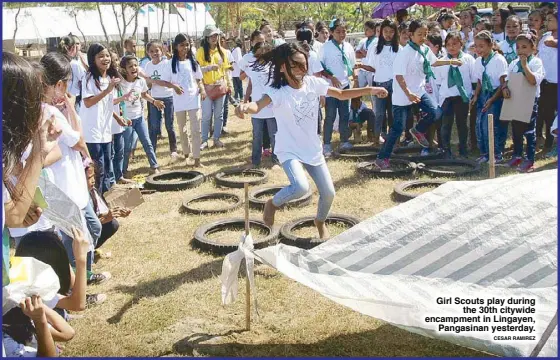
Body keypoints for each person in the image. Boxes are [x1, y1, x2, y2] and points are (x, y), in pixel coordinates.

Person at [236, 43, 388, 239]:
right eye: (296, 66)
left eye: (304, 64)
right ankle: (271, 204)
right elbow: (258, 105)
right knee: (301, 187)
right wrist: (245, 107)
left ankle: (320, 221)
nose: (302, 70)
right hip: (289, 149)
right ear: (283, 67)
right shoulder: (278, 92)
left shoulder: (313, 84)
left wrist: (371, 89)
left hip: (312, 149)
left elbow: (341, 94)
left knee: (329, 193)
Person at [373, 20, 464, 169]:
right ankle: (382, 158)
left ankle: (418, 130)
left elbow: (434, 63)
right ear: (411, 34)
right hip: (403, 95)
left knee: (436, 112)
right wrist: (408, 93)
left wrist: (450, 61)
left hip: (419, 90)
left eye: (425, 34)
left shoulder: (425, 50)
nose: (423, 37)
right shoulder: (404, 53)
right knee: (397, 128)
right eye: (419, 34)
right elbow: (398, 76)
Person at [79, 43, 124, 194]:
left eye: (107, 55)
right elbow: (88, 102)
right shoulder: (89, 77)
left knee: (105, 167)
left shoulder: (110, 77)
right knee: (98, 170)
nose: (105, 59)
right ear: (93, 59)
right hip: (92, 132)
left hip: (106, 131)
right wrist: (108, 90)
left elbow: (107, 104)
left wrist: (117, 118)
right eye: (100, 56)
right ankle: (97, 204)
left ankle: (105, 201)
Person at [502, 31, 544, 173]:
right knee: (516, 130)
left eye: (524, 47)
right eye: (518, 47)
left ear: (533, 48)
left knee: (529, 130)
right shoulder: (513, 63)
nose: (520, 50)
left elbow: (533, 81)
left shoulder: (536, 62)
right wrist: (505, 88)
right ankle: (517, 155)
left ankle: (530, 158)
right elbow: (507, 80)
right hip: (515, 100)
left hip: (530, 101)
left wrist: (525, 65)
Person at [118, 55, 162, 176]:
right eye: (130, 66)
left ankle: (155, 166)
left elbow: (144, 94)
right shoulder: (121, 82)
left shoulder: (140, 81)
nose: (134, 68)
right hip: (127, 120)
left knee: (147, 142)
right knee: (127, 146)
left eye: (135, 65)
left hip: (139, 117)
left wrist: (154, 101)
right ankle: (123, 170)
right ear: (124, 69)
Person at [319, 19, 357, 157]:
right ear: (331, 32)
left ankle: (344, 140)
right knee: (330, 115)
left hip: (345, 85)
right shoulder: (325, 48)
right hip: (330, 88)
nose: (342, 34)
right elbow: (320, 68)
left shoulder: (348, 47)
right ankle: (327, 144)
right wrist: (331, 77)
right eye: (338, 32)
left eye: (344, 31)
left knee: (345, 114)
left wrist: (355, 79)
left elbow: (352, 66)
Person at [470, 30, 509, 164]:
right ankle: (485, 153)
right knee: (479, 125)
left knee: (491, 126)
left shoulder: (499, 60)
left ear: (490, 45)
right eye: (476, 46)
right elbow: (480, 81)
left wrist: (492, 100)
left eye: (482, 46)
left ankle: (496, 154)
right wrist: (476, 96)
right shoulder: (478, 61)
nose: (478, 49)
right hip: (483, 94)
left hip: (495, 94)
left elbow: (503, 82)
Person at [360, 19, 401, 145]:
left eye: (391, 32)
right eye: (386, 31)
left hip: (394, 85)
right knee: (379, 114)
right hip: (379, 84)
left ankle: (394, 140)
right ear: (381, 32)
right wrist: (360, 66)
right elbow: (372, 66)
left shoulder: (399, 49)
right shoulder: (375, 47)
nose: (388, 34)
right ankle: (376, 139)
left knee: (393, 114)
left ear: (395, 33)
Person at [169, 33, 206, 167]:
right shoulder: (170, 64)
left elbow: (199, 79)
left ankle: (197, 159)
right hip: (179, 101)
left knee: (196, 129)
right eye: (182, 45)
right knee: (182, 129)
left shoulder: (193, 62)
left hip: (193, 99)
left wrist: (202, 89)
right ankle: (186, 154)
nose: (185, 48)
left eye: (187, 45)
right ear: (176, 46)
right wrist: (174, 86)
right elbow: (166, 82)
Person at [439, 31, 477, 159]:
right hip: (447, 96)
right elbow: (439, 80)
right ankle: (445, 149)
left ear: (461, 44)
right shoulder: (442, 61)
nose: (451, 47)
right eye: (448, 44)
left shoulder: (468, 59)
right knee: (446, 124)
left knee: (462, 123)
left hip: (462, 96)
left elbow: (473, 78)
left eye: (454, 44)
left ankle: (463, 148)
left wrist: (472, 95)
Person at [242, 40, 277, 168]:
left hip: (272, 108)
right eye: (258, 52)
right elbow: (249, 85)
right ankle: (255, 161)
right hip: (256, 108)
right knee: (257, 136)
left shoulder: (274, 66)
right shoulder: (252, 67)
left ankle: (276, 160)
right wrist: (245, 101)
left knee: (274, 135)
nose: (261, 54)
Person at [196, 24, 233, 150]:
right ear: (206, 38)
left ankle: (216, 139)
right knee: (206, 115)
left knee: (219, 115)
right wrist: (209, 68)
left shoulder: (222, 51)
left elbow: (227, 70)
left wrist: (229, 85)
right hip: (206, 88)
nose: (214, 38)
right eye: (211, 36)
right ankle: (204, 140)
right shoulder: (200, 52)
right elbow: (196, 71)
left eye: (216, 35)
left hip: (220, 87)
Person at [144, 41, 180, 161]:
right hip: (154, 98)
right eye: (152, 51)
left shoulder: (167, 64)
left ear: (162, 51)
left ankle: (174, 149)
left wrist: (152, 80)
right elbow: (147, 84)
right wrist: (149, 83)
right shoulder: (148, 65)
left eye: (157, 50)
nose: (155, 53)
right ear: (148, 53)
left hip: (168, 97)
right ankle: (152, 150)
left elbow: (169, 83)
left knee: (169, 125)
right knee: (153, 126)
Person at [536, 10, 558, 158]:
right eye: (547, 19)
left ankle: (555, 144)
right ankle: (548, 143)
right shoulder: (544, 37)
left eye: (551, 20)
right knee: (546, 114)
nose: (547, 22)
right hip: (545, 82)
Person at [355, 20, 379, 88]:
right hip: (362, 70)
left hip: (372, 70)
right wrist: (367, 53)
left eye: (367, 30)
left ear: (373, 29)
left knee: (373, 91)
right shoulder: (363, 41)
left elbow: (374, 55)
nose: (365, 32)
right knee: (358, 90)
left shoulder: (377, 41)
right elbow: (357, 54)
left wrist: (365, 53)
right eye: (364, 30)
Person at [231, 38, 245, 103]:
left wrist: (233, 62)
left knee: (239, 85)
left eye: (233, 42)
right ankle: (236, 96)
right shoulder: (233, 49)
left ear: (236, 43)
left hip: (237, 70)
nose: (232, 43)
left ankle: (241, 97)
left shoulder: (237, 49)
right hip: (234, 71)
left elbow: (239, 60)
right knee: (235, 85)